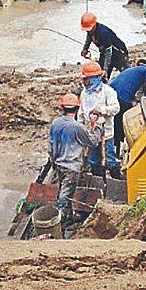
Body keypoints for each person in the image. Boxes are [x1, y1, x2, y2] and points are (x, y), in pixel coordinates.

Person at [49, 93, 95, 222]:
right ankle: (59, 223)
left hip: (58, 163)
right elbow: (92, 142)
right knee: (65, 195)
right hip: (71, 167)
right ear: (77, 109)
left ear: (63, 108)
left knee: (61, 192)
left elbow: (51, 145)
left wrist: (53, 159)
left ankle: (69, 217)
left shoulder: (55, 123)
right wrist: (97, 127)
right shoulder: (77, 127)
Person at [78, 60, 122, 179]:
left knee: (109, 159)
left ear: (95, 78)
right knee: (93, 160)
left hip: (106, 133)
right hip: (90, 134)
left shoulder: (108, 91)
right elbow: (81, 112)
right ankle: (97, 181)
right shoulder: (84, 93)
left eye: (87, 79)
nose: (84, 82)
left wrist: (101, 110)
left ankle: (116, 180)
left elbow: (116, 108)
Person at [109, 56, 146, 149]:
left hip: (110, 95)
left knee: (115, 123)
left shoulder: (130, 70)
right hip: (123, 97)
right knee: (126, 121)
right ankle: (125, 147)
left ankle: (115, 148)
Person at [79, 12, 128, 77]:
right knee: (101, 75)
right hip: (104, 52)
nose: (88, 31)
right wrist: (85, 49)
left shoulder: (104, 33)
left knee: (125, 73)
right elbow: (89, 38)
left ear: (94, 25)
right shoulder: (90, 31)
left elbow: (109, 52)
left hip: (118, 52)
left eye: (89, 29)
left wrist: (105, 69)